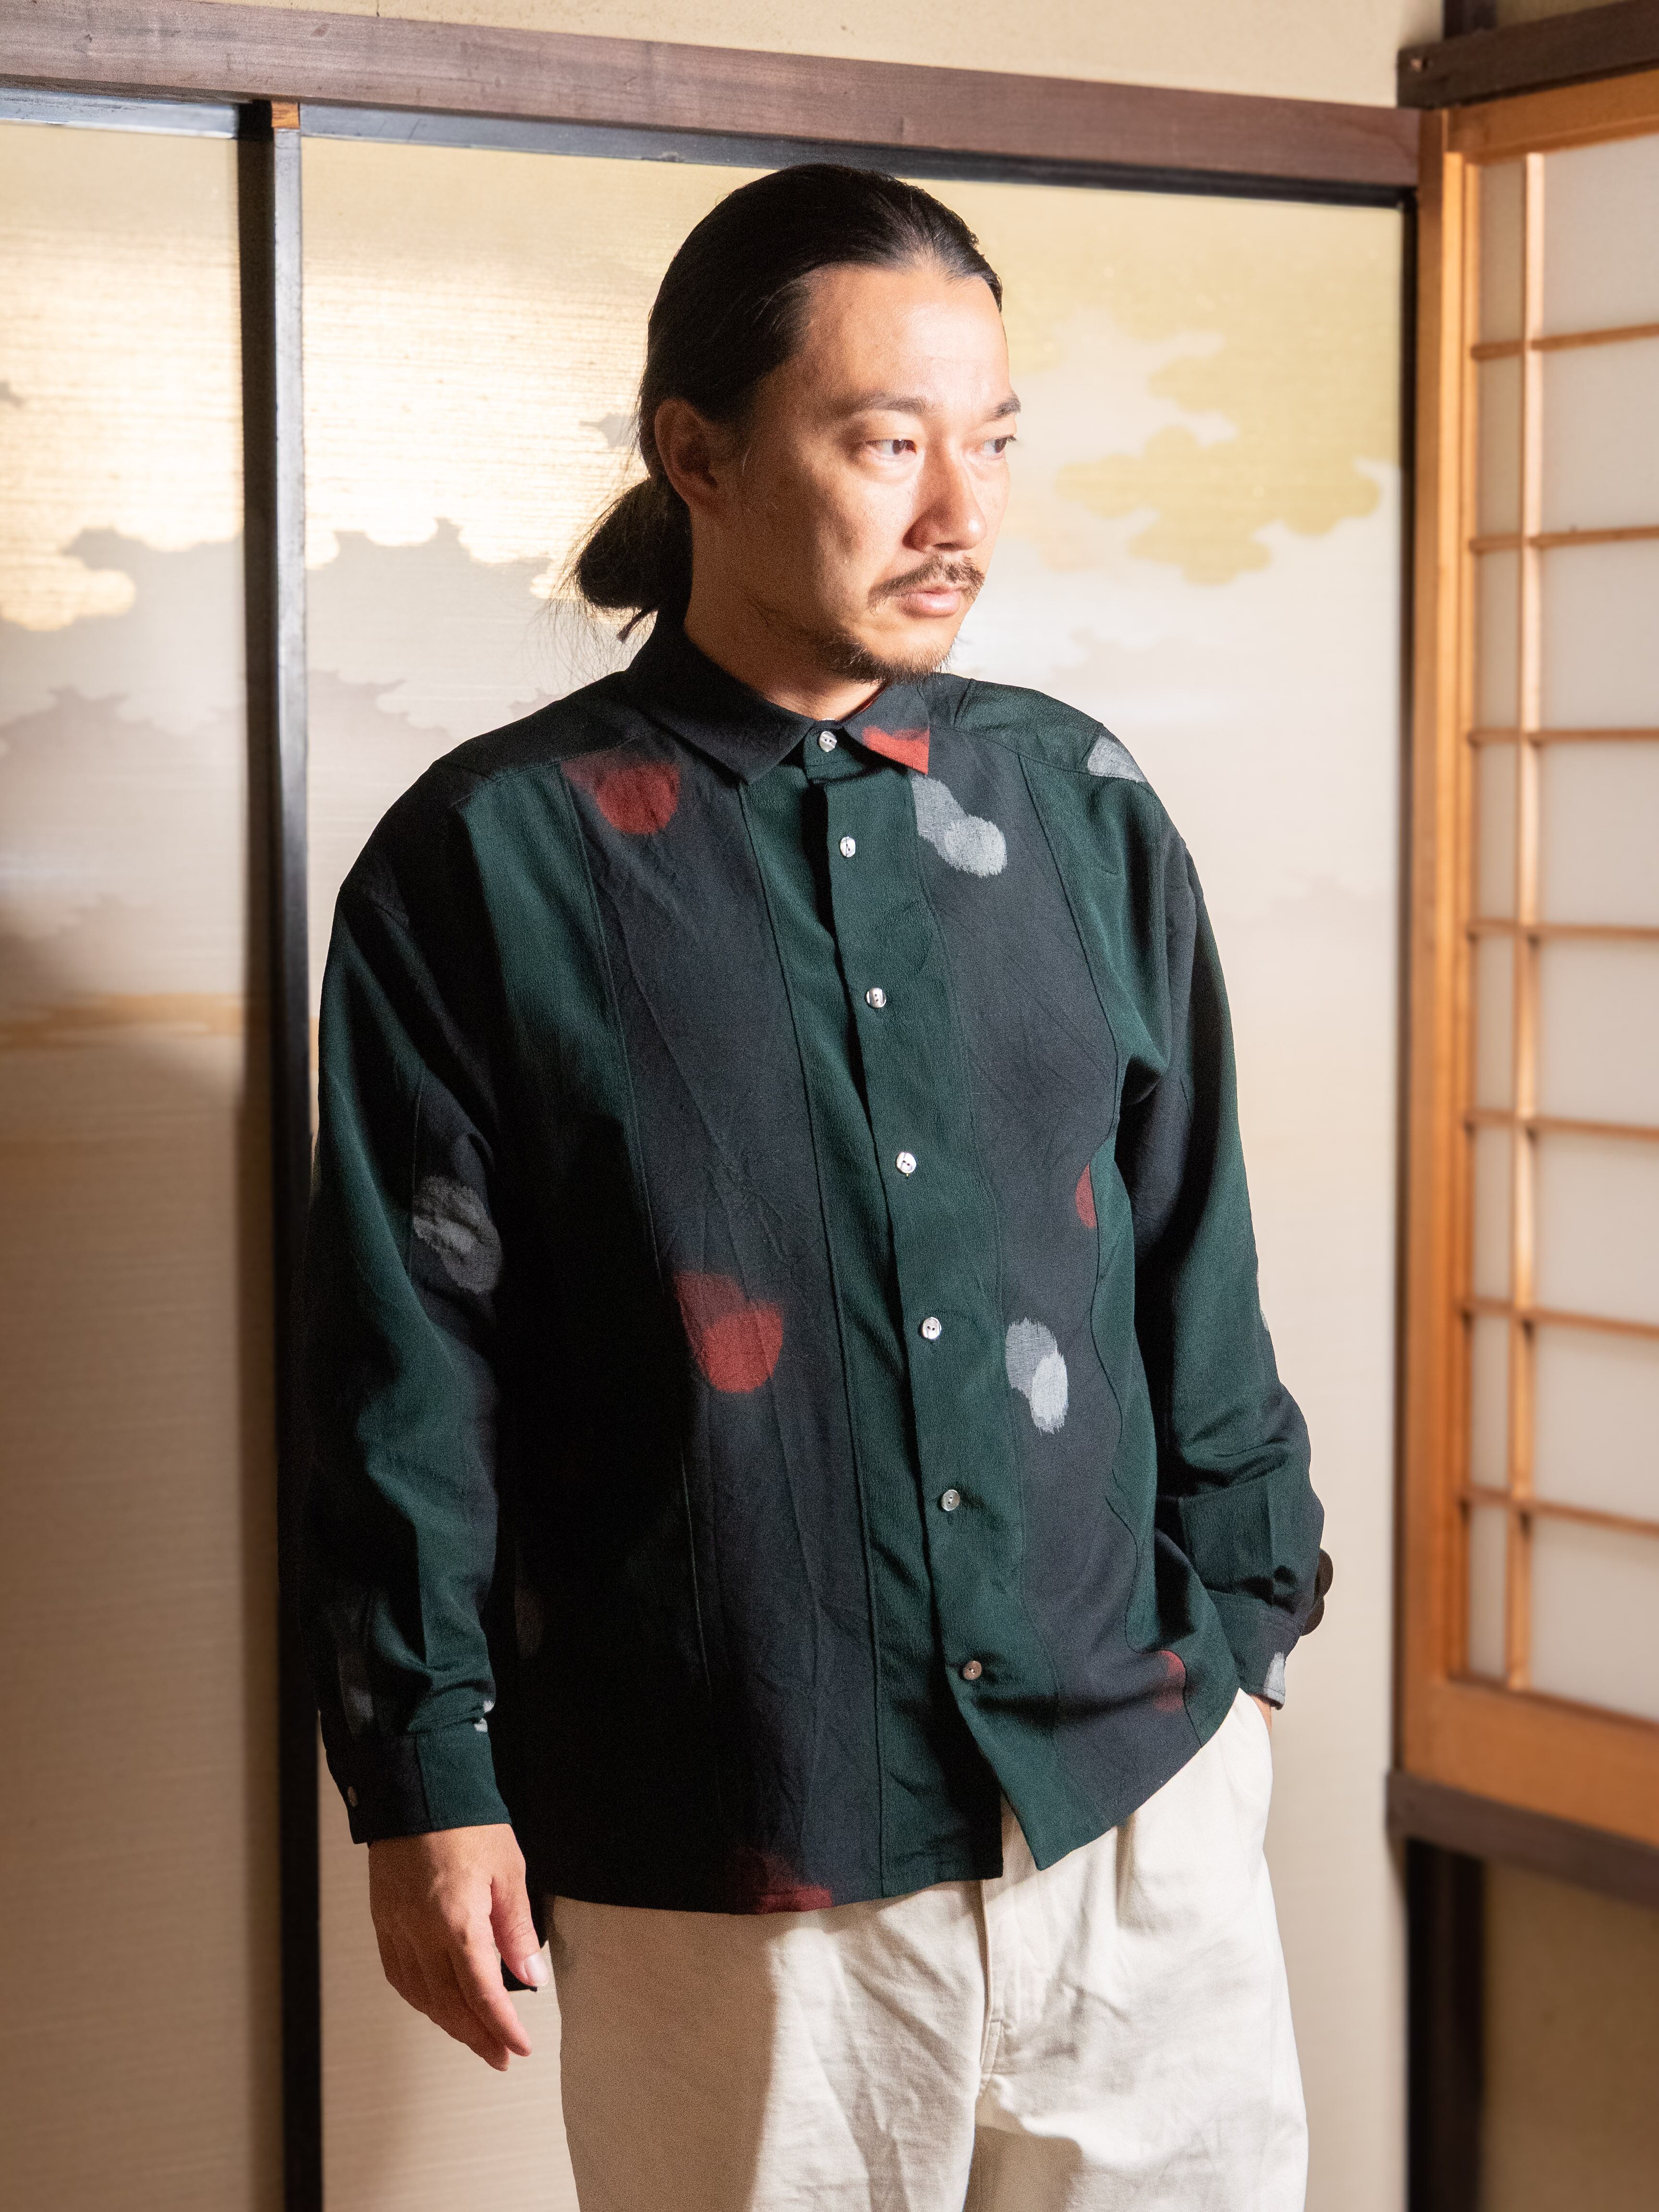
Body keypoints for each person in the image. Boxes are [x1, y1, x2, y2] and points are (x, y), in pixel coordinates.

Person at [298, 161, 1331, 2212]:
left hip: (1137, 1808)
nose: (962, 515)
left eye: (994, 442)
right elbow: (406, 1379)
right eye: (886, 444)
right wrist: (425, 1779)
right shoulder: (483, 864)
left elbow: (1192, 1259)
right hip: (738, 1844)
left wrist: (1247, 1643)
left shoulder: (1081, 803)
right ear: (697, 454)